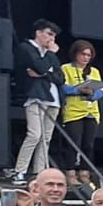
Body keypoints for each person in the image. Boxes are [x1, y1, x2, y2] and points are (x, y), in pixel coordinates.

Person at [13, 19, 65, 184]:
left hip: (53, 98)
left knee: (46, 138)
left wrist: (44, 72)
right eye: (49, 34)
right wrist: (49, 56)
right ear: (38, 32)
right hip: (35, 96)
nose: (51, 39)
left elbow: (60, 77)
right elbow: (40, 67)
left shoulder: (49, 53)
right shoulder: (27, 48)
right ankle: (19, 171)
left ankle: (40, 172)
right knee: (34, 134)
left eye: (54, 36)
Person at [57, 39, 103, 189]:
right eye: (83, 54)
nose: (86, 58)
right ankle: (70, 173)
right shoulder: (66, 68)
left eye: (89, 55)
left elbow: (100, 92)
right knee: (73, 143)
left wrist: (92, 93)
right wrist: (78, 90)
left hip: (91, 111)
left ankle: (85, 173)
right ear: (75, 54)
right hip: (73, 112)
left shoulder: (94, 71)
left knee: (88, 144)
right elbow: (63, 88)